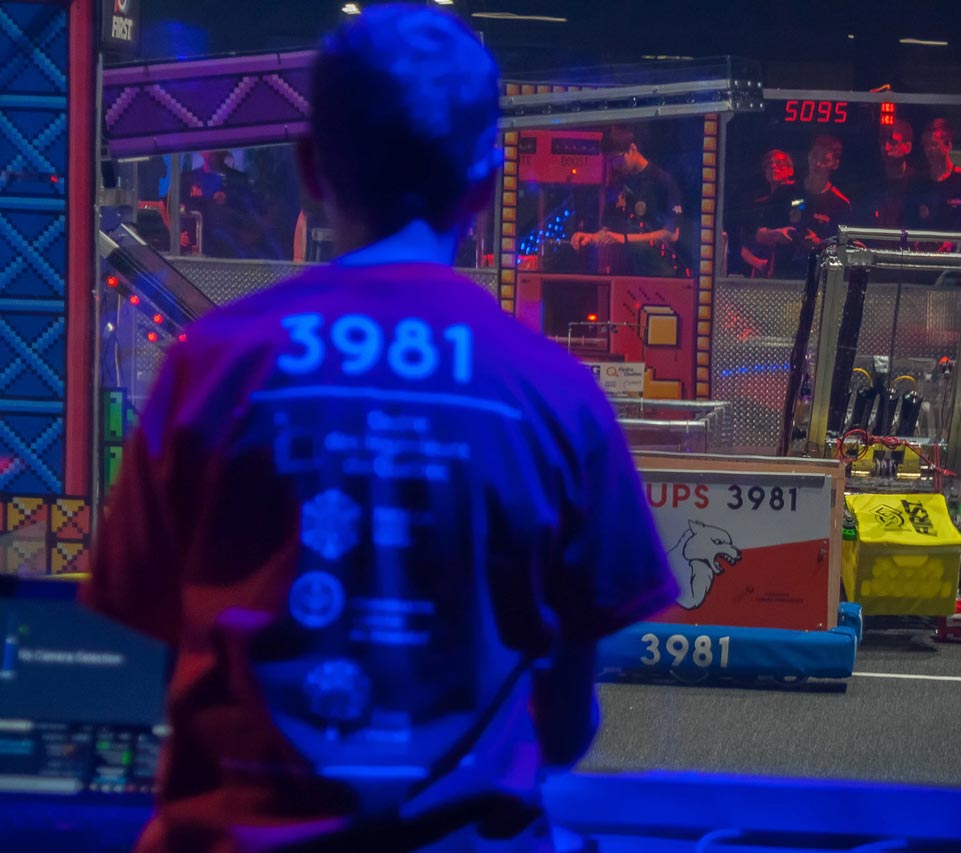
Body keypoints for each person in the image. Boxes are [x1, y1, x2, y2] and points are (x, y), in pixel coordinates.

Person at [82, 7, 677, 852]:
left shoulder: (211, 365)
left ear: (310, 167)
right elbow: (568, 719)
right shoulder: (555, 393)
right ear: (486, 181)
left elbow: (148, 654)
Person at [570, 126, 685, 276]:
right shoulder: (618, 182)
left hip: (659, 272)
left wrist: (624, 238)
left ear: (632, 149)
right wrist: (590, 237)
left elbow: (671, 234)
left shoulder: (662, 181)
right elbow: (609, 229)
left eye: (616, 159)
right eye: (609, 161)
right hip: (626, 272)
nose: (614, 165)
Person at [905, 118, 961, 237]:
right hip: (925, 247)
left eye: (934, 144)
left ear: (948, 145)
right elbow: (909, 223)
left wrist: (954, 241)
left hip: (959, 247)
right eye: (925, 145)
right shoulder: (917, 182)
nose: (929, 150)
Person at [739, 149, 805, 277]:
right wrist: (757, 262)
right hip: (760, 268)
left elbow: (795, 228)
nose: (773, 167)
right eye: (769, 165)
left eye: (779, 163)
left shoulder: (797, 196)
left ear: (790, 170)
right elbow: (746, 236)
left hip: (786, 268)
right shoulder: (759, 201)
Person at [857, 118, 919, 230]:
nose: (886, 148)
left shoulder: (917, 183)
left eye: (893, 142)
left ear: (908, 147)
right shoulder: (871, 184)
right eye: (883, 142)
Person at [799, 134, 853, 245]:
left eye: (824, 160)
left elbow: (841, 245)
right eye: (814, 156)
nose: (817, 163)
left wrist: (819, 243)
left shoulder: (841, 204)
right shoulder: (790, 190)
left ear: (835, 164)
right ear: (808, 156)